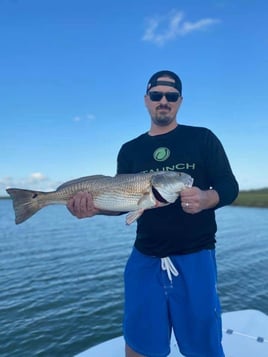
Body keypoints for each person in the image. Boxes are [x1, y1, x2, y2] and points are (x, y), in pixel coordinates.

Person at [67, 70, 239, 357]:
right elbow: (124, 201)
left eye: (171, 96)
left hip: (196, 256)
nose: (163, 101)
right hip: (144, 257)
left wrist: (207, 197)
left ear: (180, 101)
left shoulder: (203, 138)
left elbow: (229, 186)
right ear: (146, 100)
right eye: (156, 95)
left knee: (204, 347)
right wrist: (94, 208)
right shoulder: (130, 149)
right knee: (140, 345)